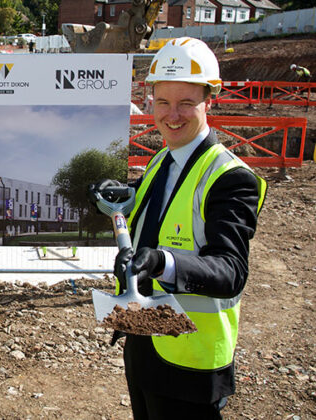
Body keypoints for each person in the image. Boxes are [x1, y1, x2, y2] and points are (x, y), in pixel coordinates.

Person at [112, 37, 267, 419]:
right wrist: (123, 193)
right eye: (162, 102)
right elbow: (160, 207)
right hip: (143, 335)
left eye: (186, 103)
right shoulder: (164, 157)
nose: (172, 115)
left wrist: (162, 261)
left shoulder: (232, 179)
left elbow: (230, 271)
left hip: (190, 360)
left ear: (208, 101)